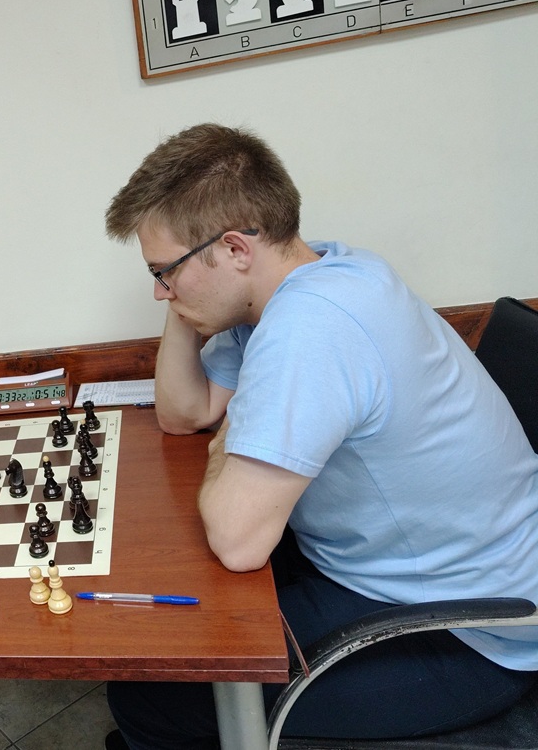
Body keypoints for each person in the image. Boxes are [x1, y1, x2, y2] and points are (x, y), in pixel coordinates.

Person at [102, 123, 538, 749]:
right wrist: (182, 296)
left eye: (163, 271)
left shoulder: (310, 327)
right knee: (177, 603)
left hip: (466, 628)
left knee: (148, 691)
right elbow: (184, 413)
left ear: (235, 248)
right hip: (398, 571)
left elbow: (237, 540)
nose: (157, 291)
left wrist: (234, 435)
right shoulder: (325, 270)